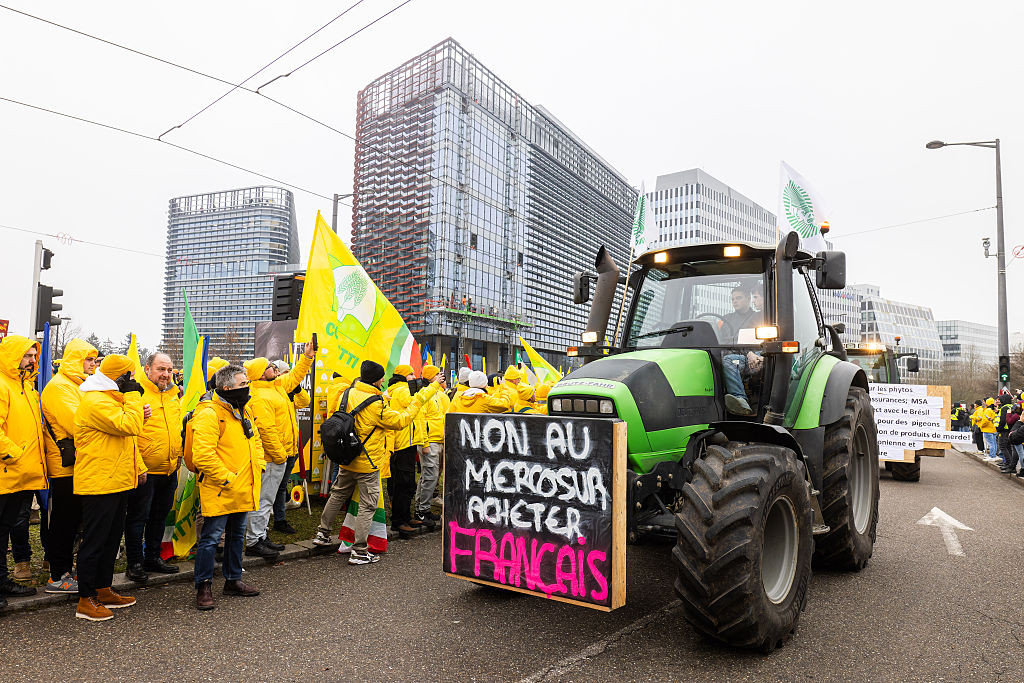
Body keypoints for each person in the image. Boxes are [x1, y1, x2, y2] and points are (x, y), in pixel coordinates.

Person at [312, 361, 438, 565]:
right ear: (376, 380)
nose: (384, 380)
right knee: (368, 505)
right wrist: (417, 402)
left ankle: (322, 533)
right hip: (367, 461)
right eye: (381, 377)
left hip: (347, 457)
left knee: (337, 495)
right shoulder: (376, 403)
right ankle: (359, 550)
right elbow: (399, 421)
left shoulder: (348, 392)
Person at [73, 354, 146, 621]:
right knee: (95, 542)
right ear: (120, 377)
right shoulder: (96, 400)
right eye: (130, 376)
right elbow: (130, 425)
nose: (134, 381)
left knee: (111, 539)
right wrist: (135, 399)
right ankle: (85, 600)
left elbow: (124, 436)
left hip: (115, 479)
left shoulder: (110, 398)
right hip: (99, 482)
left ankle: (102, 589)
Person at [188, 364, 265, 610]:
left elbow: (255, 440)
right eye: (243, 384)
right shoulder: (209, 413)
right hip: (221, 487)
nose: (247, 388)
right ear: (226, 387)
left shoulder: (243, 409)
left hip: (242, 486)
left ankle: (233, 580)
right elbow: (203, 456)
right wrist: (228, 479)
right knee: (211, 539)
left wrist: (259, 465)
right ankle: (204, 586)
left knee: (236, 536)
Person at [241, 344, 314, 559]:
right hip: (272, 458)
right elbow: (266, 430)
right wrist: (280, 455)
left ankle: (261, 536)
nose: (274, 367)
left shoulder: (275, 386)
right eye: (269, 366)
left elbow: (295, 376)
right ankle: (254, 541)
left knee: (268, 498)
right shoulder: (260, 396)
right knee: (264, 500)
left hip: (279, 456)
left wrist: (307, 357)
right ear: (261, 374)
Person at [40, 337, 99, 594]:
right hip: (64, 467)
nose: (93, 364)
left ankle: (65, 570)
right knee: (63, 522)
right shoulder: (59, 387)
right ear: (76, 359)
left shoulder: (80, 385)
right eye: (89, 359)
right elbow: (78, 423)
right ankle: (57, 576)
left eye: (94, 360)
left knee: (73, 521)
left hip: (79, 463)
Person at [0, 335, 54, 609]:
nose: (33, 360)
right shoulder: (2, 385)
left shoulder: (28, 388)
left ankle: (2, 581)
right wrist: (15, 454)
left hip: (22, 475)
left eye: (34, 355)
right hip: (6, 472)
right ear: (13, 356)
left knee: (4, 530)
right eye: (27, 355)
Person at [124, 352, 182, 583]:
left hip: (169, 469)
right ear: (147, 369)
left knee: (159, 517)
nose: (166, 374)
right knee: (138, 518)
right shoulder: (136, 394)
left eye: (168, 370)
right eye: (161, 369)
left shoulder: (173, 395)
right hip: (145, 472)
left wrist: (178, 456)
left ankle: (153, 557)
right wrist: (139, 466)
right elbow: (129, 436)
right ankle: (135, 563)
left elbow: (175, 429)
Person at [271, 359, 309, 536]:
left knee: (281, 486)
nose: (288, 377)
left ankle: (279, 519)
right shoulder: (272, 392)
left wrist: (297, 389)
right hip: (277, 448)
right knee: (274, 487)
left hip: (291, 447)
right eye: (285, 374)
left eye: (289, 374)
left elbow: (305, 402)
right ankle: (272, 520)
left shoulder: (291, 392)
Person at [385, 364, 418, 537]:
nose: (414, 376)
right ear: (404, 376)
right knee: (403, 483)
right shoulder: (402, 390)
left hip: (406, 441)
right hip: (403, 443)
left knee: (407, 482)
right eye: (411, 374)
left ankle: (405, 516)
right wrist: (427, 389)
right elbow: (416, 402)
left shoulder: (399, 389)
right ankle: (399, 521)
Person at [720, 286, 764, 417]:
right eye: (733, 299)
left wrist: (761, 357)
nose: (735, 301)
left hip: (762, 356)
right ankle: (740, 401)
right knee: (729, 360)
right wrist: (749, 353)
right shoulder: (726, 319)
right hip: (742, 357)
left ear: (748, 299)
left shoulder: (761, 316)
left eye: (738, 298)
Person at [414, 365, 447, 527]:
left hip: (437, 440)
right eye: (437, 375)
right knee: (430, 477)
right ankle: (422, 510)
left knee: (427, 477)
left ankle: (421, 509)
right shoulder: (425, 394)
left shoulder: (435, 394)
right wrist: (425, 443)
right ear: (431, 377)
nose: (441, 377)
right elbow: (420, 421)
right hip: (430, 442)